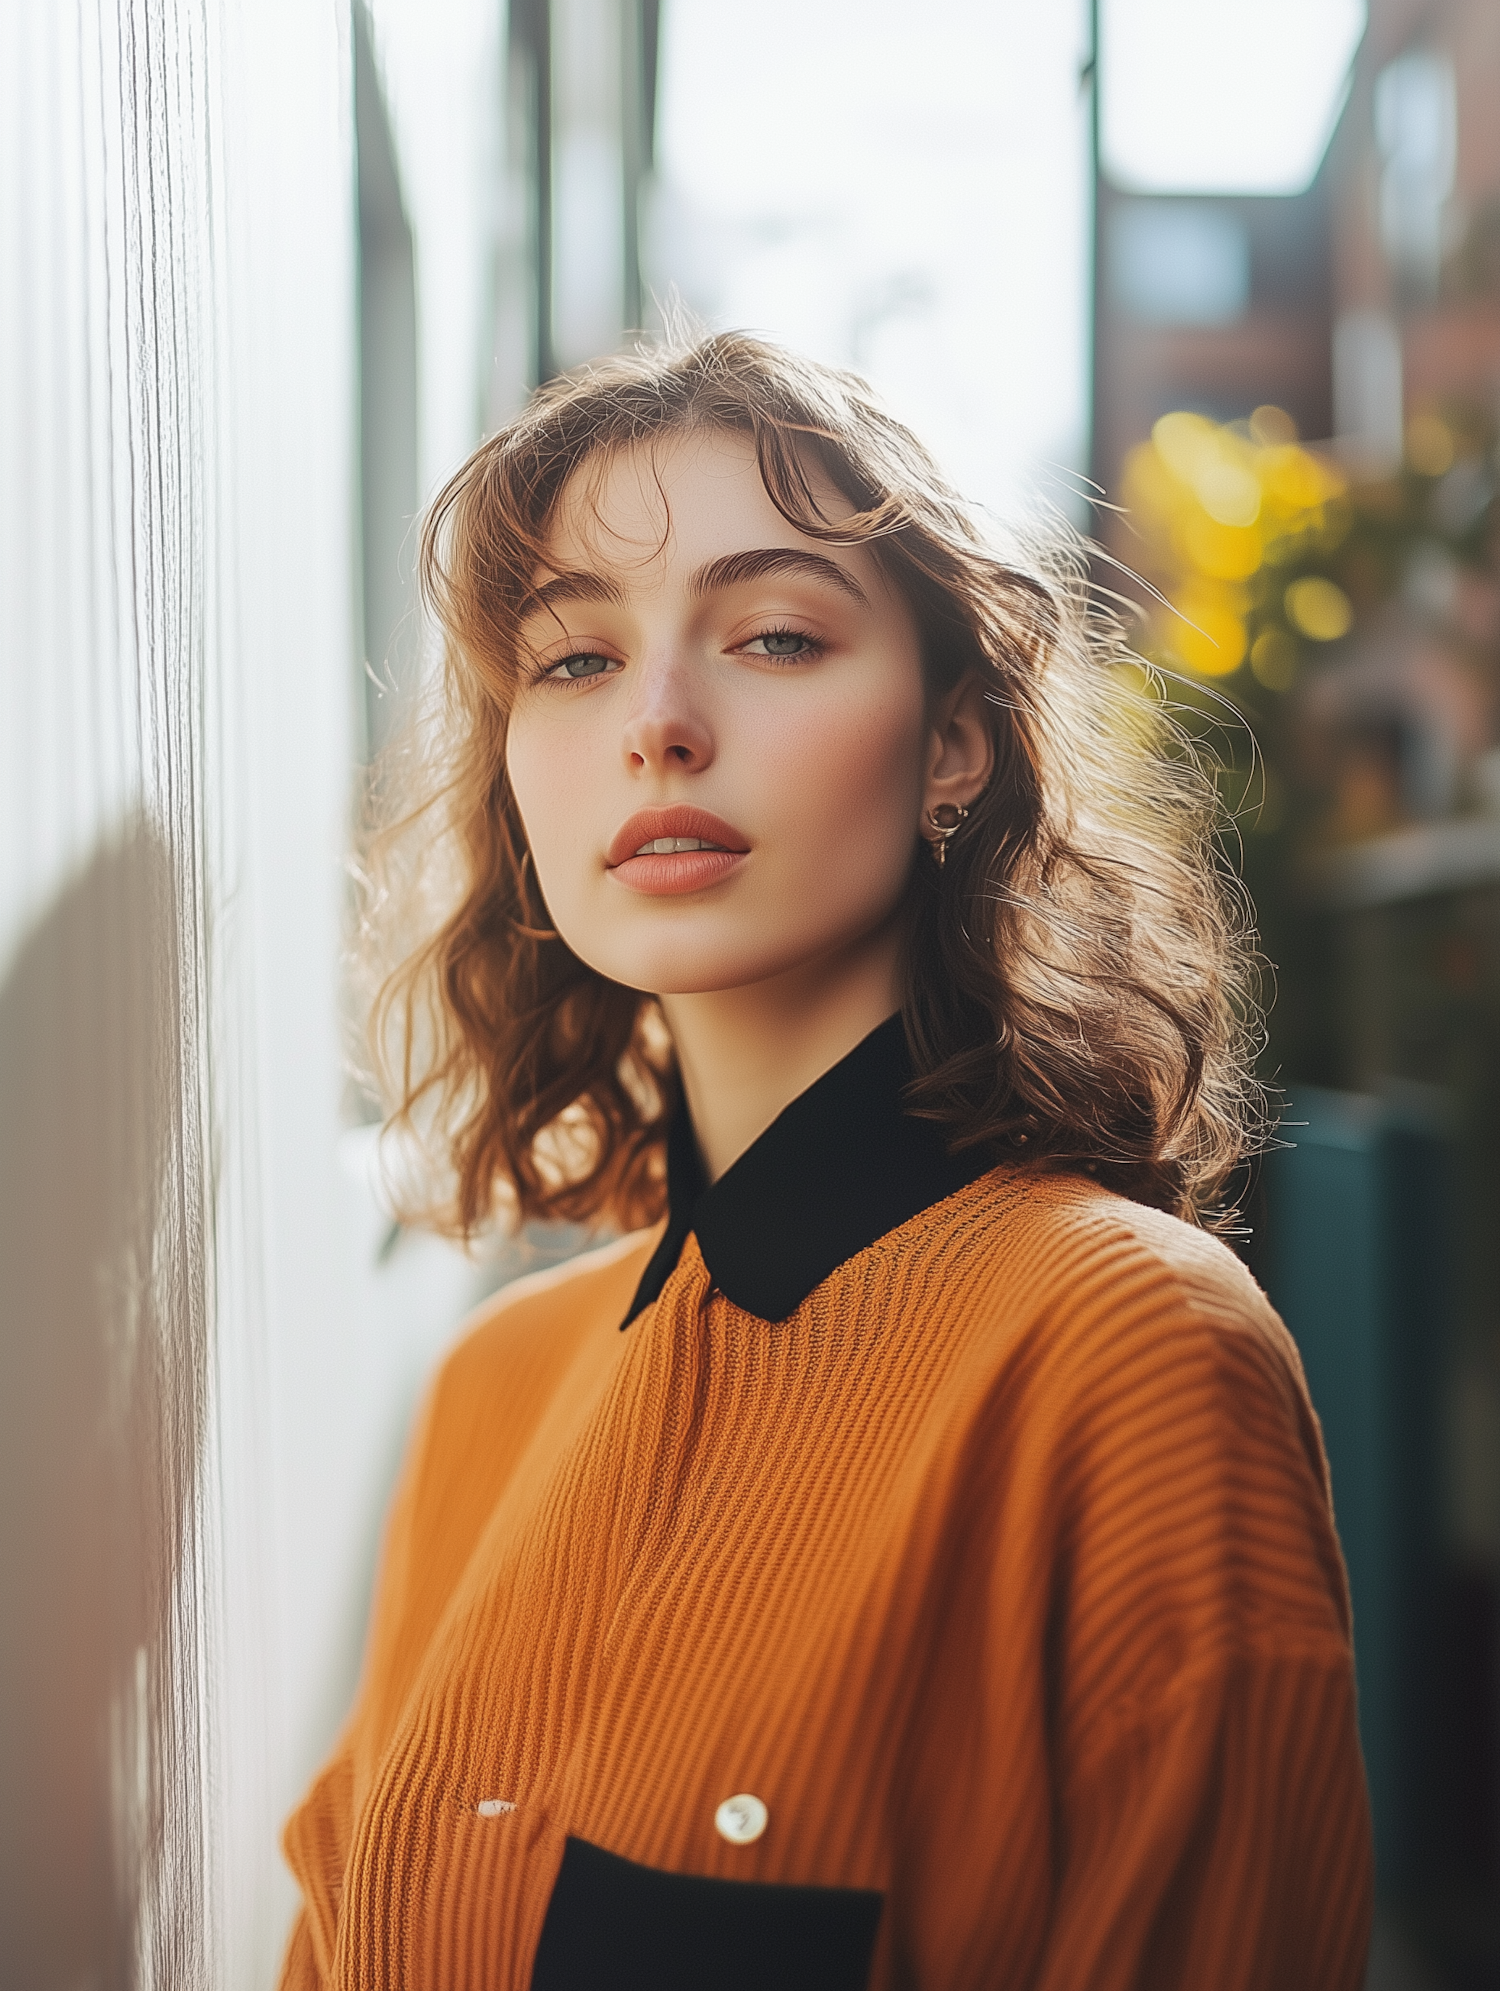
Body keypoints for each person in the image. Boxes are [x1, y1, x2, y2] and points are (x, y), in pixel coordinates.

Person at [279, 334, 1372, 1990]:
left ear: (954, 742)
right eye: (572, 659)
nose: (657, 723)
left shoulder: (1134, 1355)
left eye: (776, 634)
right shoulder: (490, 1389)